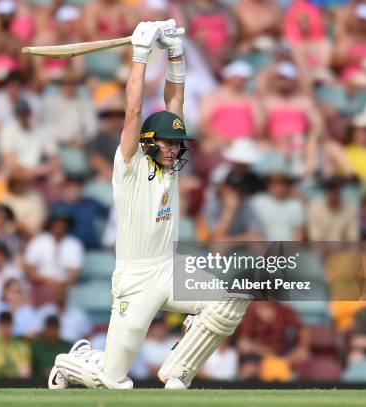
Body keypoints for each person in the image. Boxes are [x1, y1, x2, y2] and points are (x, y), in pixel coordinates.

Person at [50, 20, 250, 390]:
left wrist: (175, 54)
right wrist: (140, 55)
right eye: (168, 143)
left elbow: (175, 102)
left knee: (229, 300)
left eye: (178, 144)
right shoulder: (130, 163)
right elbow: (133, 109)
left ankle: (177, 372)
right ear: (148, 143)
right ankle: (72, 362)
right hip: (135, 278)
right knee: (115, 381)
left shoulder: (170, 167)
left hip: (168, 269)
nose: (174, 149)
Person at [0, 311, 32, 378]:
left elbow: (25, 372)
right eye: (2, 324)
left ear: (12, 325)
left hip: (16, 382)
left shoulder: (21, 346)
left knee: (24, 369)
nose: (5, 328)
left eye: (8, 325)